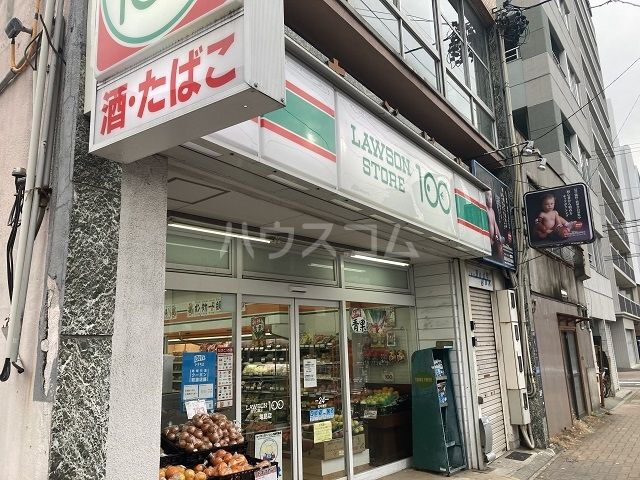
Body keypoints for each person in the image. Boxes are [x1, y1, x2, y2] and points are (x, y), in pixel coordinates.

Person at [485, 190, 504, 259]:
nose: (490, 199)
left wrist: (499, 237)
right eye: (488, 196)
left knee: (500, 248)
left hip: (493, 240)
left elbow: (495, 225)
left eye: (491, 196)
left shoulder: (492, 211)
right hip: (487, 240)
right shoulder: (484, 208)